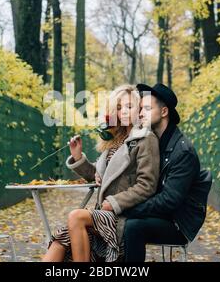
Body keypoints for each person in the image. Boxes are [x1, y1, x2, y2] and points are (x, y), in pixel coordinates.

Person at [42, 84, 160, 262]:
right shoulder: (116, 139)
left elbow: (147, 185)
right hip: (102, 214)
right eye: (119, 108)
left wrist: (114, 202)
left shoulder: (146, 139)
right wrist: (78, 156)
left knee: (75, 216)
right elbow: (98, 176)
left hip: (123, 215)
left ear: (139, 108)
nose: (125, 112)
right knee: (61, 239)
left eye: (130, 106)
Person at [123, 83, 210, 262]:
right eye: (140, 109)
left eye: (147, 108)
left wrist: (130, 210)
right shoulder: (154, 142)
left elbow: (169, 200)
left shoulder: (182, 151)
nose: (140, 114)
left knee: (133, 226)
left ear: (164, 112)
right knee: (110, 223)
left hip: (177, 224)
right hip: (161, 216)